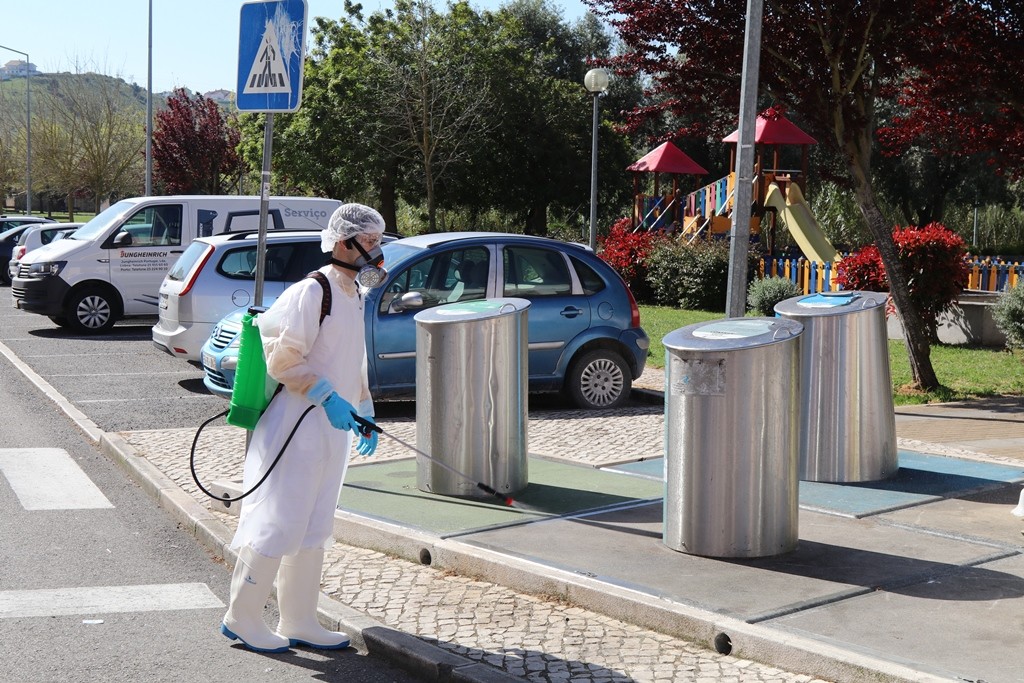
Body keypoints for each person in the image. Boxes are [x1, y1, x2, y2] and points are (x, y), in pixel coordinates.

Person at [220, 203, 386, 653]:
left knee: (314, 524)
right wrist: (327, 396)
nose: (375, 252)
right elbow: (283, 358)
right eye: (368, 242)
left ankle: (299, 619)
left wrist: (362, 405)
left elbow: (353, 358)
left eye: (376, 243)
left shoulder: (354, 294)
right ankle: (243, 616)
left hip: (331, 431)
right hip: (296, 426)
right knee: (279, 520)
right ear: (341, 241)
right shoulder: (311, 292)